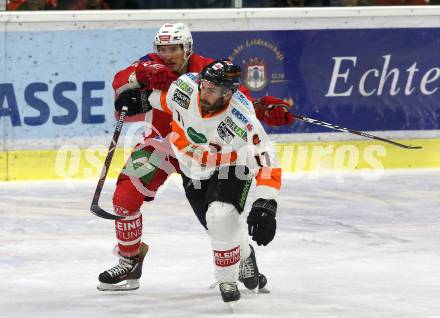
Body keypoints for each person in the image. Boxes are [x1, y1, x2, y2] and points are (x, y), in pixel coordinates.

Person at [97, 22, 292, 292]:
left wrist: (262, 109)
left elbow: (238, 105)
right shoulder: (150, 63)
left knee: (217, 220)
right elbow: (121, 80)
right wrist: (144, 73)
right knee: (124, 197)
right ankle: (130, 259)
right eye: (162, 49)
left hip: (206, 154)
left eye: (174, 48)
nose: (167, 55)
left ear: (187, 49)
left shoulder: (207, 69)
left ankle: (245, 255)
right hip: (164, 145)